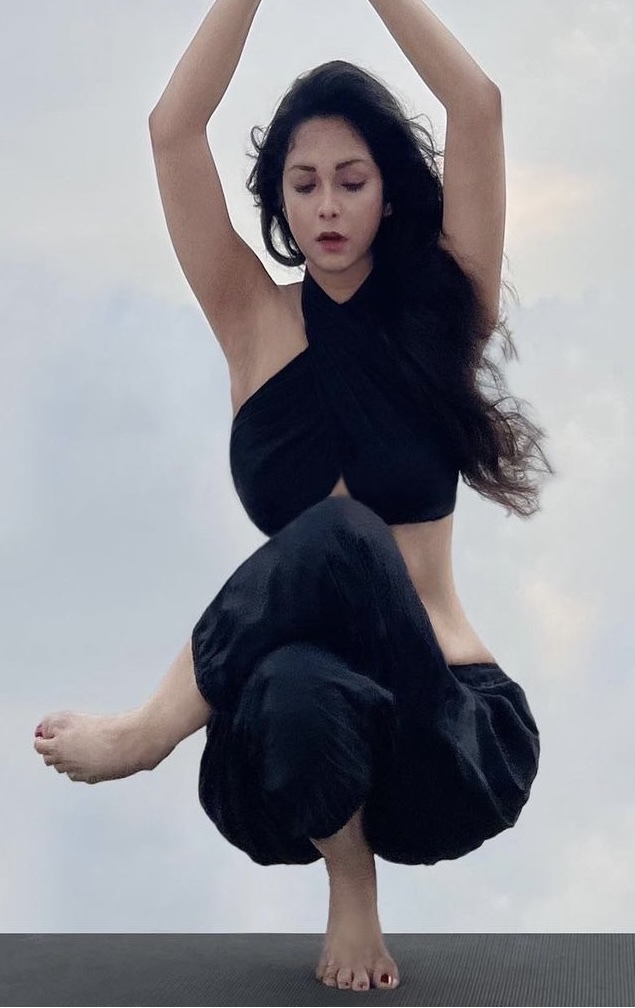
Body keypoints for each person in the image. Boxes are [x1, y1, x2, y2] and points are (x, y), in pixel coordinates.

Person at [34, 0, 555, 994]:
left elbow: (476, 107)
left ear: (387, 194)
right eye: (302, 184)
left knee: (347, 532)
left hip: (446, 738)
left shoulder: (445, 313)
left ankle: (149, 730)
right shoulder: (250, 322)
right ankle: (349, 887)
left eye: (351, 181)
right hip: (288, 758)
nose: (326, 206)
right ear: (276, 201)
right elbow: (172, 131)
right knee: (294, 677)